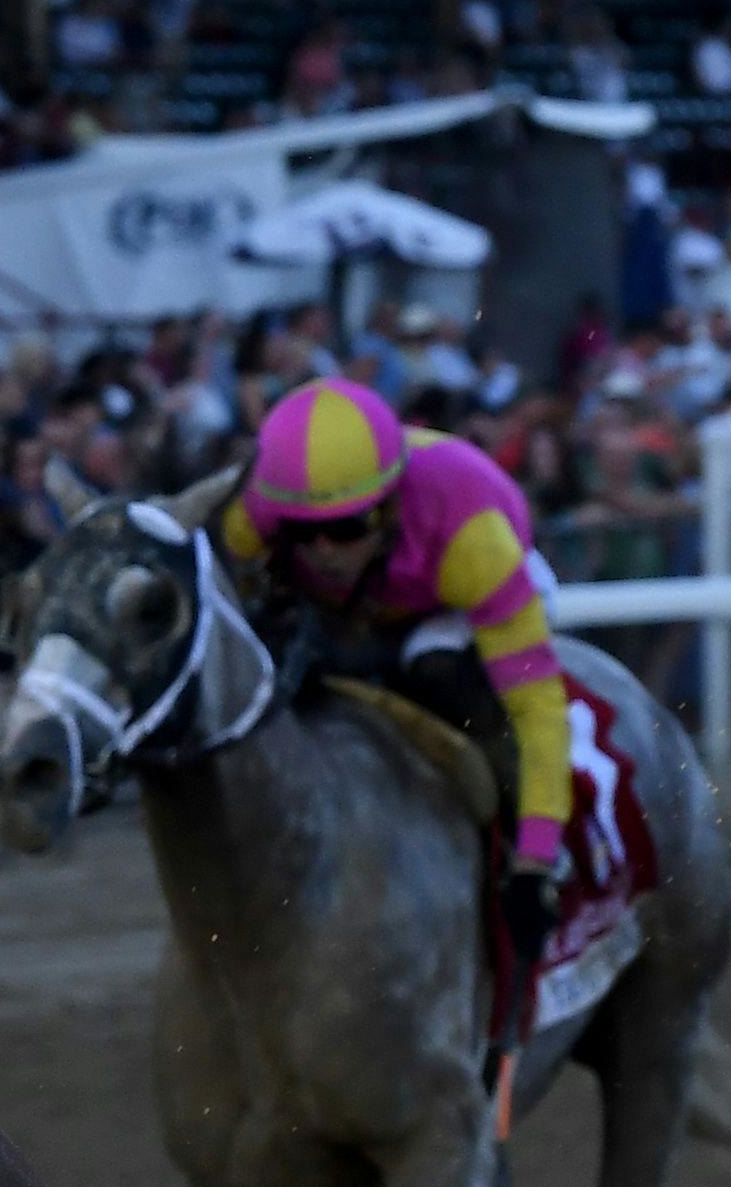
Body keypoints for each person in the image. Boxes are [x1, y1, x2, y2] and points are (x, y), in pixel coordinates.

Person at [220, 376, 573, 973]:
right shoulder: (251, 520)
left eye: (347, 528)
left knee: (432, 670)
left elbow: (538, 710)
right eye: (304, 532)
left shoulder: (475, 540)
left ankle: (529, 857)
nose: (323, 552)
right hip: (377, 600)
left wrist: (534, 861)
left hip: (462, 594)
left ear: (385, 510)